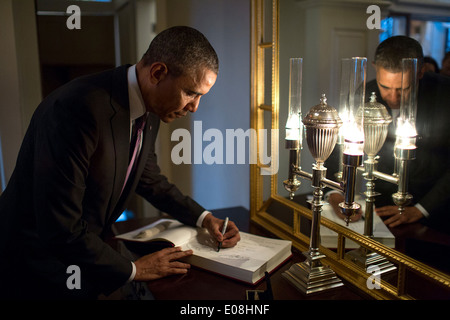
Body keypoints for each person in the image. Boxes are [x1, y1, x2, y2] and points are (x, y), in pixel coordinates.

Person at [0, 26, 240, 299]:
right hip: (33, 263)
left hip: (84, 252)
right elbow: (61, 228)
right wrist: (135, 269)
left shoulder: (152, 108)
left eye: (200, 97)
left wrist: (205, 218)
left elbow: (149, 179)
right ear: (158, 73)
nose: (195, 107)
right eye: (190, 93)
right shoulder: (76, 109)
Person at [327, 36, 450, 235]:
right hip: (381, 208)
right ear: (375, 68)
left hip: (435, 214)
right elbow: (343, 144)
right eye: (386, 87)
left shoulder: (445, 94)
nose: (393, 98)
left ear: (421, 72)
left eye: (403, 89)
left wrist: (420, 209)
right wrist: (334, 192)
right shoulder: (367, 93)